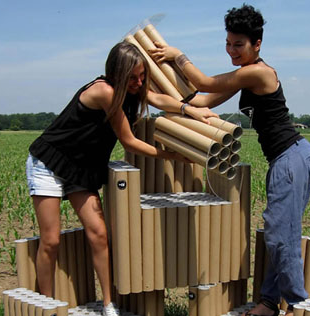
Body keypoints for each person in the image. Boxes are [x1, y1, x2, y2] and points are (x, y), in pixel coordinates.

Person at [25, 41, 218, 316]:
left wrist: (190, 110)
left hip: (80, 170)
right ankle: (45, 305)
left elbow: (157, 99)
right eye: (133, 78)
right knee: (51, 240)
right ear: (116, 73)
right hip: (49, 163)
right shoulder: (105, 92)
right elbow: (129, 142)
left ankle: (108, 304)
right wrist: (174, 156)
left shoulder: (132, 88)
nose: (139, 83)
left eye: (142, 76)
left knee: (99, 235)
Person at [151, 4, 310, 316]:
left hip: (292, 156)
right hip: (282, 161)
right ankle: (269, 303)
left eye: (238, 45)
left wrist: (177, 56)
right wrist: (157, 86)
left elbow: (203, 83)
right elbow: (199, 99)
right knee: (277, 230)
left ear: (257, 44)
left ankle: (297, 304)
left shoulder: (258, 72)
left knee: (282, 232)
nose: (231, 50)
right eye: (227, 44)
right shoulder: (245, 76)